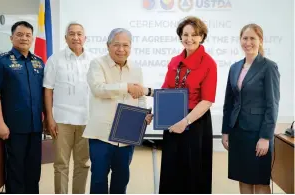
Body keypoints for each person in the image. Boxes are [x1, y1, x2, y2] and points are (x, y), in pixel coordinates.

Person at [83, 28, 153, 194]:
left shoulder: (136, 68)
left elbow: (141, 95)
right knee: (99, 178)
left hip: (126, 134)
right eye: (116, 45)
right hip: (102, 135)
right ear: (108, 46)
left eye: (125, 45)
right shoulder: (97, 64)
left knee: (121, 179)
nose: (121, 49)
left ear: (130, 47)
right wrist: (126, 87)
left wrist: (144, 114)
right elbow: (98, 89)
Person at [158, 16, 217, 194]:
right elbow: (166, 89)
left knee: (192, 173)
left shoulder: (208, 63)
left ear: (202, 37)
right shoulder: (174, 61)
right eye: (185, 34)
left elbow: (207, 100)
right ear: (180, 36)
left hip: (195, 122)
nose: (189, 38)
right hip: (171, 119)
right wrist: (156, 113)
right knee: (171, 171)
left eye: (194, 34)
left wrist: (185, 122)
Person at [0, 21, 44, 194]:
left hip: (35, 127)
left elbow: (45, 93)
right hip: (13, 128)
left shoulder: (39, 63)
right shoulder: (1, 62)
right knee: (15, 171)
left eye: (28, 35)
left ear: (32, 38)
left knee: (33, 171)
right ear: (12, 38)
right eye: (20, 35)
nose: (24, 38)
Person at [221, 23, 280, 194]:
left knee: (260, 181)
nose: (248, 42)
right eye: (245, 38)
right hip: (238, 132)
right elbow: (229, 102)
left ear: (260, 41)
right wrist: (226, 131)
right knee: (243, 179)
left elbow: (272, 104)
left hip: (257, 134)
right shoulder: (234, 67)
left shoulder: (269, 67)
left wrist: (265, 137)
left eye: (252, 38)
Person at [43, 22, 95, 194]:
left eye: (79, 34)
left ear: (85, 38)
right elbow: (48, 89)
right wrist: (49, 117)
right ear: (66, 38)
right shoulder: (55, 59)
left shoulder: (94, 60)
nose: (75, 37)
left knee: (83, 164)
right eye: (71, 34)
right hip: (61, 120)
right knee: (61, 164)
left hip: (87, 121)